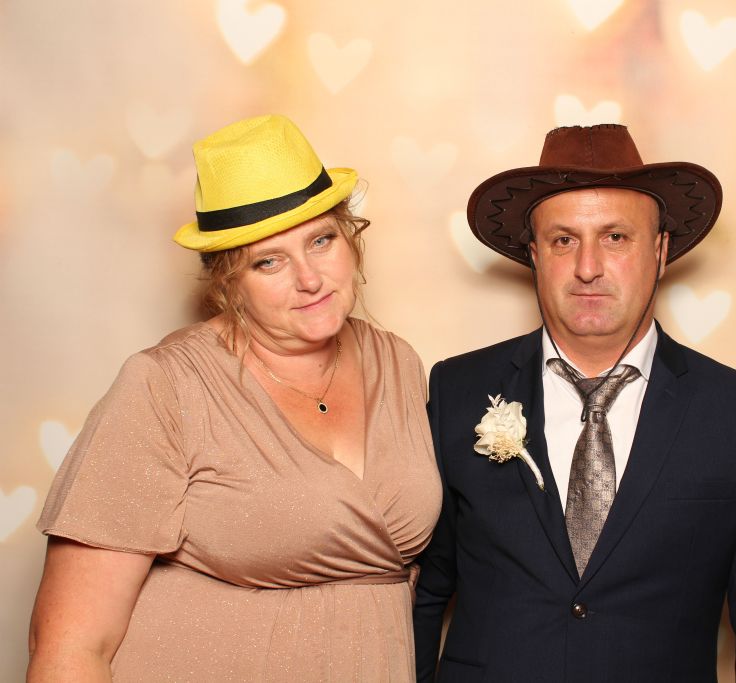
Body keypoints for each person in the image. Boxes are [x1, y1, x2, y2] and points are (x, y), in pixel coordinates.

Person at [28, 114, 441, 682]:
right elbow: (69, 647)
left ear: (351, 239)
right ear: (228, 281)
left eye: (321, 241)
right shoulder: (165, 385)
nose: (310, 279)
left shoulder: (397, 363)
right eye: (269, 261)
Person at [413, 124, 736, 682]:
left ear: (661, 250)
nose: (588, 267)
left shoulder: (735, 414)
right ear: (534, 254)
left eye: (615, 237)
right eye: (563, 240)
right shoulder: (457, 391)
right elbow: (420, 595)